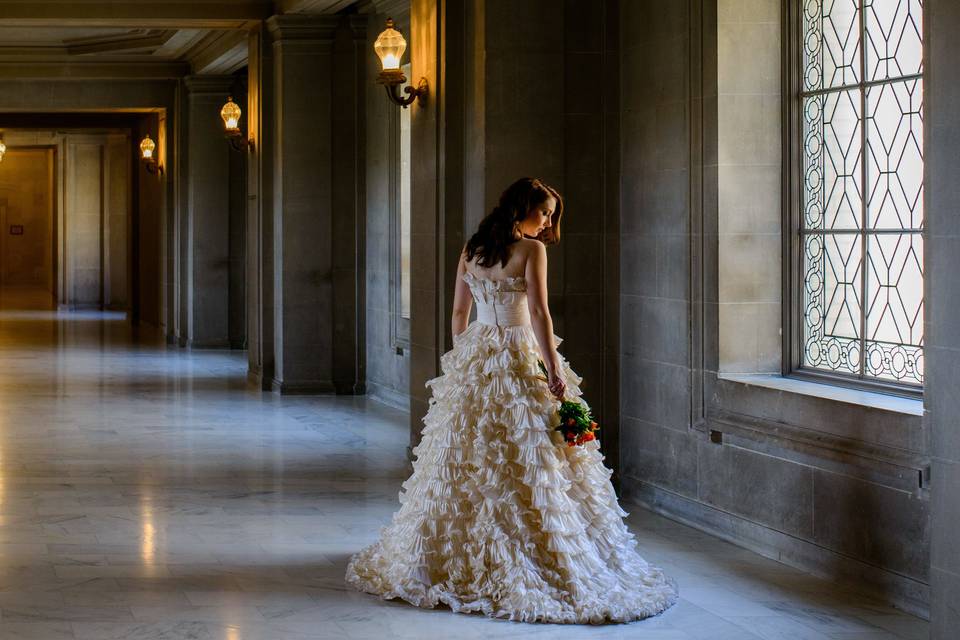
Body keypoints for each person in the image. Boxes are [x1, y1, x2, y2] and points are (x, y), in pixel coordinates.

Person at [346, 177, 678, 624]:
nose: (547, 223)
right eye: (544, 212)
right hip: (520, 351)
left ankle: (449, 556)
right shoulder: (531, 251)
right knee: (529, 451)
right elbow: (540, 313)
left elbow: (459, 314)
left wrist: (462, 359)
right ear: (523, 208)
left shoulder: (471, 248)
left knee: (470, 453)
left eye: (551, 215)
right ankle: (534, 554)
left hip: (479, 351)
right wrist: (554, 368)